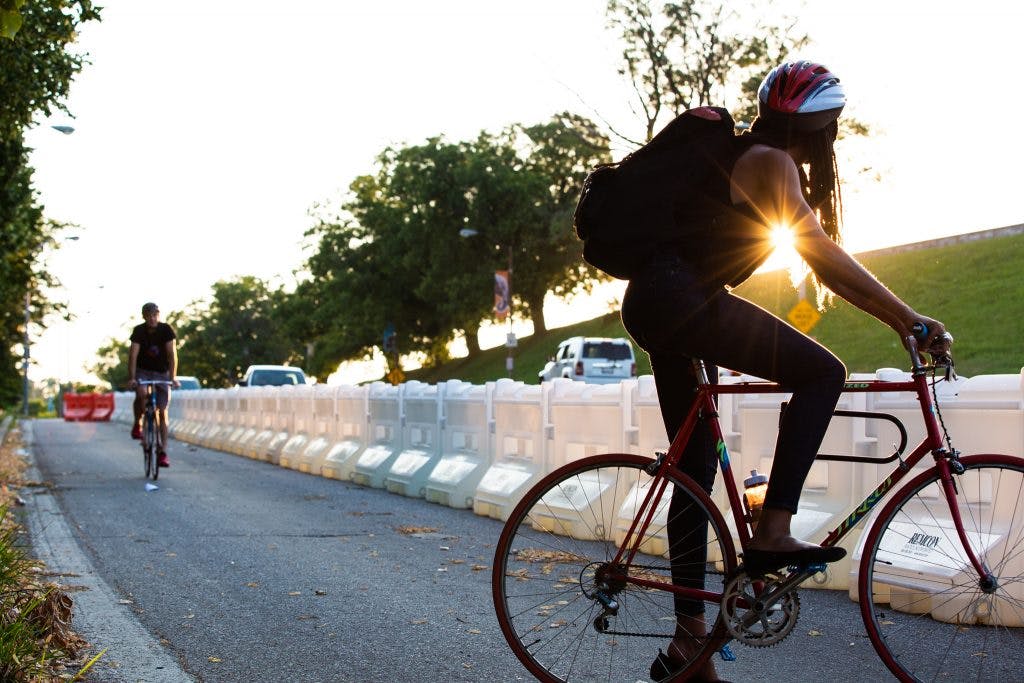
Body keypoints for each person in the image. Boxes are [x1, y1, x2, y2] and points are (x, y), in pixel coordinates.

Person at [617, 61, 950, 681]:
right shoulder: (774, 161)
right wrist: (908, 319)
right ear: (820, 126)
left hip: (659, 300)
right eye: (831, 128)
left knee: (692, 472)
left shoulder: (755, 155)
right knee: (823, 373)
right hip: (680, 299)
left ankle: (688, 647)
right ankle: (774, 529)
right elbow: (820, 254)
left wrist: (900, 320)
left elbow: (816, 259)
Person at [128, 302, 180, 467]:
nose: (152, 318)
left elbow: (172, 355)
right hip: (143, 371)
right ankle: (139, 422)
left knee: (162, 412)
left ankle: (163, 452)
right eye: (149, 315)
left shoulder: (166, 330)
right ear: (144, 316)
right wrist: (132, 377)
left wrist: (173, 377)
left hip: (161, 373)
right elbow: (133, 356)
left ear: (158, 315)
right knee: (141, 393)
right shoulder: (139, 331)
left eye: (155, 315)